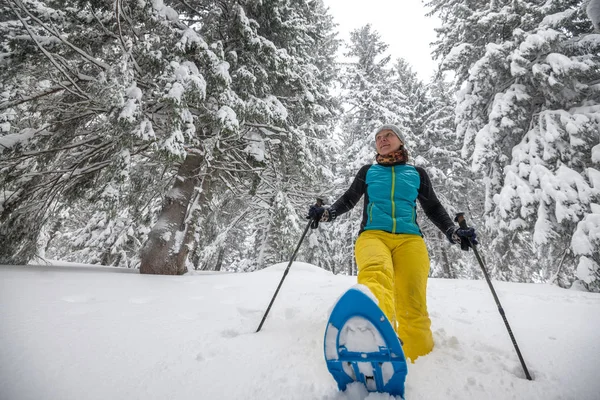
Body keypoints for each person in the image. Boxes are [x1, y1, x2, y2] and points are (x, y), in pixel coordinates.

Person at [308, 124, 477, 362]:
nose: (382, 139)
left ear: (400, 141)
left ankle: (419, 359)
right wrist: (328, 213)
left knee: (412, 299)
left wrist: (453, 232)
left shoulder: (416, 173)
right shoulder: (368, 171)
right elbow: (348, 199)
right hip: (373, 235)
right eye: (378, 137)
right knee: (376, 274)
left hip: (410, 240)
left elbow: (433, 207)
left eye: (388, 135)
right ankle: (374, 339)